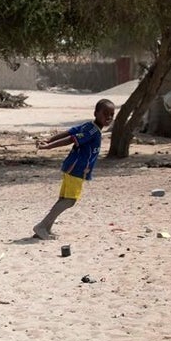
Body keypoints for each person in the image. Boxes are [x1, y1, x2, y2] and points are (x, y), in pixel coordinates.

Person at [32, 98, 116, 240]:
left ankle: (46, 228)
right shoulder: (92, 132)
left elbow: (69, 132)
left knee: (64, 199)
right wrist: (48, 146)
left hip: (72, 167)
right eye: (105, 114)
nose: (108, 118)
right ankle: (41, 226)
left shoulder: (89, 126)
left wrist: (49, 140)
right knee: (70, 200)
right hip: (76, 168)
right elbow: (71, 138)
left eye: (111, 115)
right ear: (96, 113)